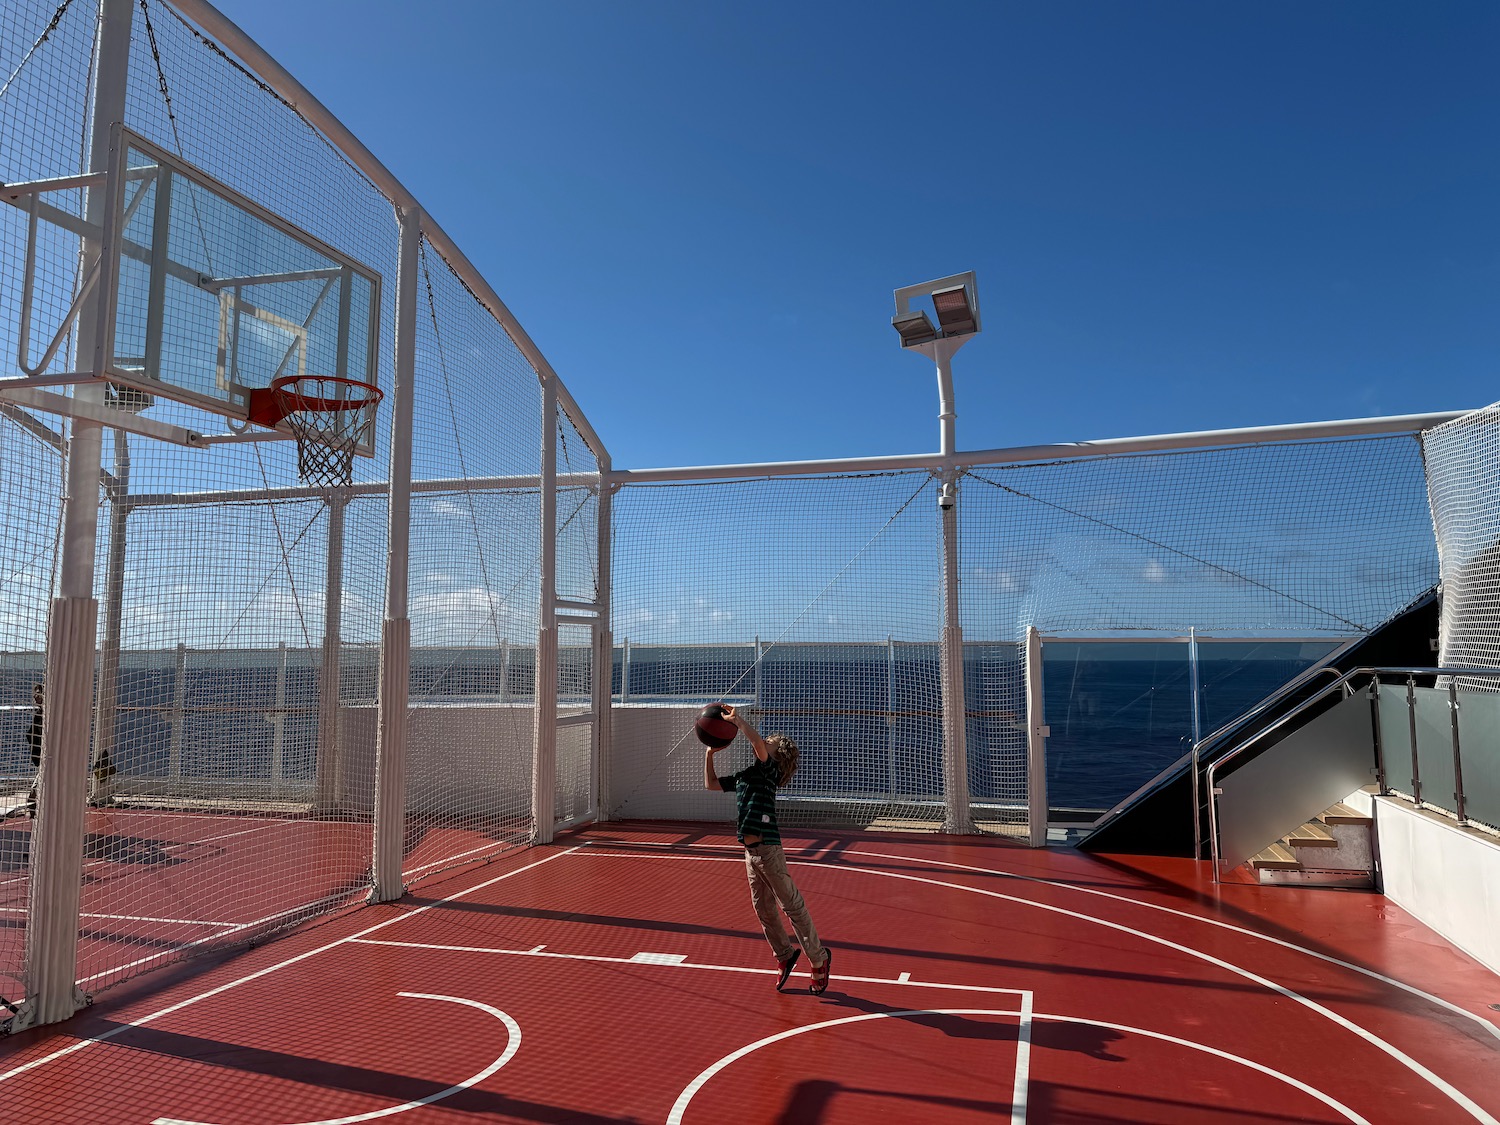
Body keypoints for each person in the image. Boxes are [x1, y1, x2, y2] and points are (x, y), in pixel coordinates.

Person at [704, 703, 832, 994]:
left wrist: (739, 721)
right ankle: (785, 955)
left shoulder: (768, 772)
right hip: (750, 854)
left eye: (769, 744)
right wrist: (710, 753)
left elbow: (756, 743)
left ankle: (819, 958)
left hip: (769, 849)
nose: (764, 744)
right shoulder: (746, 776)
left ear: (777, 756)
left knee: (792, 907)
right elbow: (710, 784)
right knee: (763, 908)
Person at [25, 683, 42, 816]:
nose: (36, 697)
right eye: (35, 694)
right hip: (40, 755)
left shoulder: (42, 715)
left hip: (44, 755)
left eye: (38, 694)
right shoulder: (39, 714)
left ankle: (33, 803)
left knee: (37, 786)